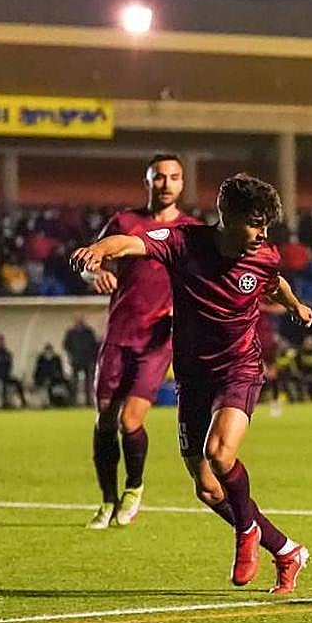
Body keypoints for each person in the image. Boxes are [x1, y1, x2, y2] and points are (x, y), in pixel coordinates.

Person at [71, 172, 312, 594]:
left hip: (240, 367)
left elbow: (275, 284)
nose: (262, 234)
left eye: (267, 225)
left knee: (219, 453)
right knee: (206, 487)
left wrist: (295, 304)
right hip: (193, 375)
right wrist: (97, 250)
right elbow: (133, 242)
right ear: (228, 215)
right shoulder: (184, 242)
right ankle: (288, 550)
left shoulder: (264, 254)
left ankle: (246, 534)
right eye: (256, 223)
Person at [83, 154, 202, 531]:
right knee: (104, 420)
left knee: (130, 420)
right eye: (159, 177)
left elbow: (205, 283)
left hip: (158, 338)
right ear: (147, 181)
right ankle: (106, 500)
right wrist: (96, 273)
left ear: (182, 184)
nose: (167, 183)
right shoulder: (123, 223)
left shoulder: (193, 233)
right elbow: (91, 261)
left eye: (174, 177)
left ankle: (134, 487)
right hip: (119, 333)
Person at [63, 316, 99, 407]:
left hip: (87, 360)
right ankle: (73, 401)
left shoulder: (89, 332)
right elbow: (66, 345)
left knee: (88, 382)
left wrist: (92, 357)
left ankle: (89, 401)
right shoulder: (71, 333)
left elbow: (94, 345)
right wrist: (71, 355)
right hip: (76, 360)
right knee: (74, 382)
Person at [33, 343, 73, 407]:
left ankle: (69, 400)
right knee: (48, 385)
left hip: (54, 378)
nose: (49, 353)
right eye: (47, 351)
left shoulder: (56, 359)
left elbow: (60, 370)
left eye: (50, 351)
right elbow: (38, 372)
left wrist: (60, 377)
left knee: (67, 383)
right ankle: (51, 402)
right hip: (43, 379)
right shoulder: (41, 359)